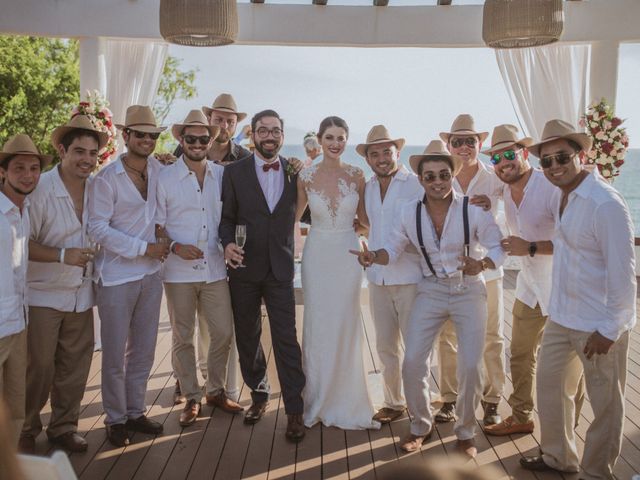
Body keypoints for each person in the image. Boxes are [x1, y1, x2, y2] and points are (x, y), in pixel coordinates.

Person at [351, 140, 505, 457]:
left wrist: (484, 264)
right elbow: (392, 249)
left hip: (469, 288)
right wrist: (372, 257)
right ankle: (421, 426)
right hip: (431, 289)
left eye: (443, 175)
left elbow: (498, 246)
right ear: (421, 180)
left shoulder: (472, 208)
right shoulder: (410, 213)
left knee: (471, 365)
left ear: (451, 176)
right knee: (413, 362)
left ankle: (465, 432)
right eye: (431, 176)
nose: (437, 182)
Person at [520, 119, 636, 479]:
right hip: (563, 315)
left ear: (581, 156)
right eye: (547, 161)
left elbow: (623, 273)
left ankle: (596, 473)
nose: (554, 166)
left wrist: (610, 329)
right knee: (551, 388)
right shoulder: (562, 194)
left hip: (598, 325)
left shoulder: (606, 204)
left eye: (562, 157)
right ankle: (559, 457)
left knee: (606, 405)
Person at [19, 116, 107, 455]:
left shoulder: (99, 187)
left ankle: (64, 427)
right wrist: (61, 255)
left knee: (76, 365)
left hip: (82, 294)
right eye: (79, 151)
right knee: (38, 366)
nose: (87, 159)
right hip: (43, 293)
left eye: (93, 153)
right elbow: (21, 243)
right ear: (62, 150)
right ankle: (25, 427)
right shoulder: (39, 189)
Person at [220, 109, 306, 442]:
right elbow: (226, 218)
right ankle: (259, 395)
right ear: (253, 134)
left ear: (283, 135)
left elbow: (316, 206)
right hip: (243, 267)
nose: (269, 136)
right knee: (247, 335)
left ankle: (295, 408)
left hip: (281, 268)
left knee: (286, 338)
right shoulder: (234, 173)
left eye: (275, 131)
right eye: (262, 131)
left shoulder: (295, 171)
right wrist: (227, 244)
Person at [88, 105, 169, 447]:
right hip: (117, 277)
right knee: (114, 352)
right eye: (141, 134)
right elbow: (97, 228)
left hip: (151, 275)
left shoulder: (160, 169)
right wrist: (143, 248)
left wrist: (161, 239)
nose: (148, 140)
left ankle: (136, 412)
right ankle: (115, 418)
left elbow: (166, 208)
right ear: (126, 136)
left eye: (153, 135)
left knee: (144, 350)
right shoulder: (106, 179)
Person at [156, 110, 242, 428]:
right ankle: (192, 397)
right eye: (190, 138)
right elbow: (156, 225)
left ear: (211, 140)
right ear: (181, 140)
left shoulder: (222, 175)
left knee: (222, 332)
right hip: (178, 271)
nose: (196, 143)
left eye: (202, 138)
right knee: (183, 337)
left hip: (216, 268)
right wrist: (175, 246)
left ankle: (215, 391)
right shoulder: (164, 177)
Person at [296, 116, 378, 430]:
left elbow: (367, 220)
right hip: (316, 254)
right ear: (319, 139)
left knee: (346, 321)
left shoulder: (358, 175)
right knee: (318, 323)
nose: (335, 143)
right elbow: (291, 218)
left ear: (346, 140)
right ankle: (317, 399)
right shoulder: (305, 176)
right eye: (329, 137)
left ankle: (348, 398)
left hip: (347, 254)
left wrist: (361, 236)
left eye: (340, 138)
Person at [436, 114, 506, 426]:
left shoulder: (496, 178)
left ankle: (492, 400)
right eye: (457, 141)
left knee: (492, 336)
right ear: (448, 145)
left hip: (487, 271)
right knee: (447, 337)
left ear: (480, 144)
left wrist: (492, 212)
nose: (464, 147)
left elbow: (520, 209)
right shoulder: (437, 177)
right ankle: (449, 399)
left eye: (470, 141)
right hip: (447, 272)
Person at [358, 125, 423, 424]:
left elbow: (443, 211)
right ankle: (394, 402)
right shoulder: (368, 188)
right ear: (368, 159)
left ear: (398, 152)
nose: (382, 158)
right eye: (375, 153)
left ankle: (420, 409)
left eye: (387, 151)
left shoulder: (416, 184)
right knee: (385, 346)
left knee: (415, 347)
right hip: (376, 278)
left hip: (410, 278)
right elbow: (367, 226)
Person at [0, 134, 49, 446]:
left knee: (16, 407)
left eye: (34, 168)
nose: (29, 175)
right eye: (20, 168)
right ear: (3, 172)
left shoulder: (26, 209)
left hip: (19, 321)